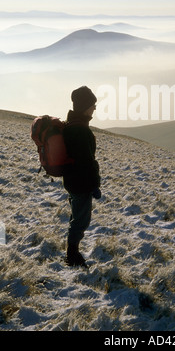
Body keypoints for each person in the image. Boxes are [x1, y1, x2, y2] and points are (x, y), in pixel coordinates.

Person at [63, 86, 101, 268]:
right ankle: (72, 256)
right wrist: (94, 184)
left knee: (77, 216)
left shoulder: (72, 125)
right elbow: (86, 162)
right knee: (81, 219)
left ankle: (72, 252)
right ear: (85, 106)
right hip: (81, 183)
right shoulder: (80, 130)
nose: (94, 108)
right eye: (93, 105)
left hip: (72, 180)